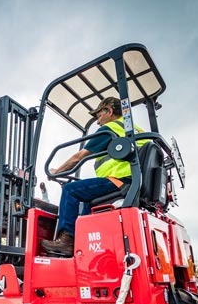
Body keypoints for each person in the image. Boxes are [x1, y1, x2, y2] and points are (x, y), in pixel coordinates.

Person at [41, 97, 146, 256]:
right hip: (135, 183)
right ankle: (85, 242)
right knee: (86, 203)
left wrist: (57, 171)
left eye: (99, 116)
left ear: (109, 111)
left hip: (121, 181)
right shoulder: (137, 131)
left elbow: (79, 157)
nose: (98, 122)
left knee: (70, 190)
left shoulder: (110, 129)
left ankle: (67, 241)